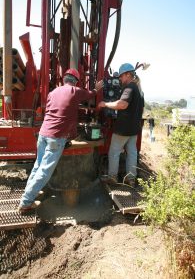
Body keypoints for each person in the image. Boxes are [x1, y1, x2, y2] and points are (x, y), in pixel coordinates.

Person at [18, 68, 103, 212]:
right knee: (45, 171)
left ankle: (30, 191)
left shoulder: (52, 93)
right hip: (55, 138)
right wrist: (96, 89)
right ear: (75, 82)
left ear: (64, 80)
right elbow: (89, 95)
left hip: (43, 134)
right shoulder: (75, 91)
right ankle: (26, 202)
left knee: (37, 166)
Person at [98, 63, 144, 187]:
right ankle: (131, 179)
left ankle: (112, 177)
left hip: (123, 129)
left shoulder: (129, 87)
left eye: (121, 76)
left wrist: (105, 104)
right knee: (132, 153)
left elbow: (122, 104)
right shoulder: (139, 90)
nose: (120, 79)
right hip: (134, 129)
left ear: (128, 75)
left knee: (114, 152)